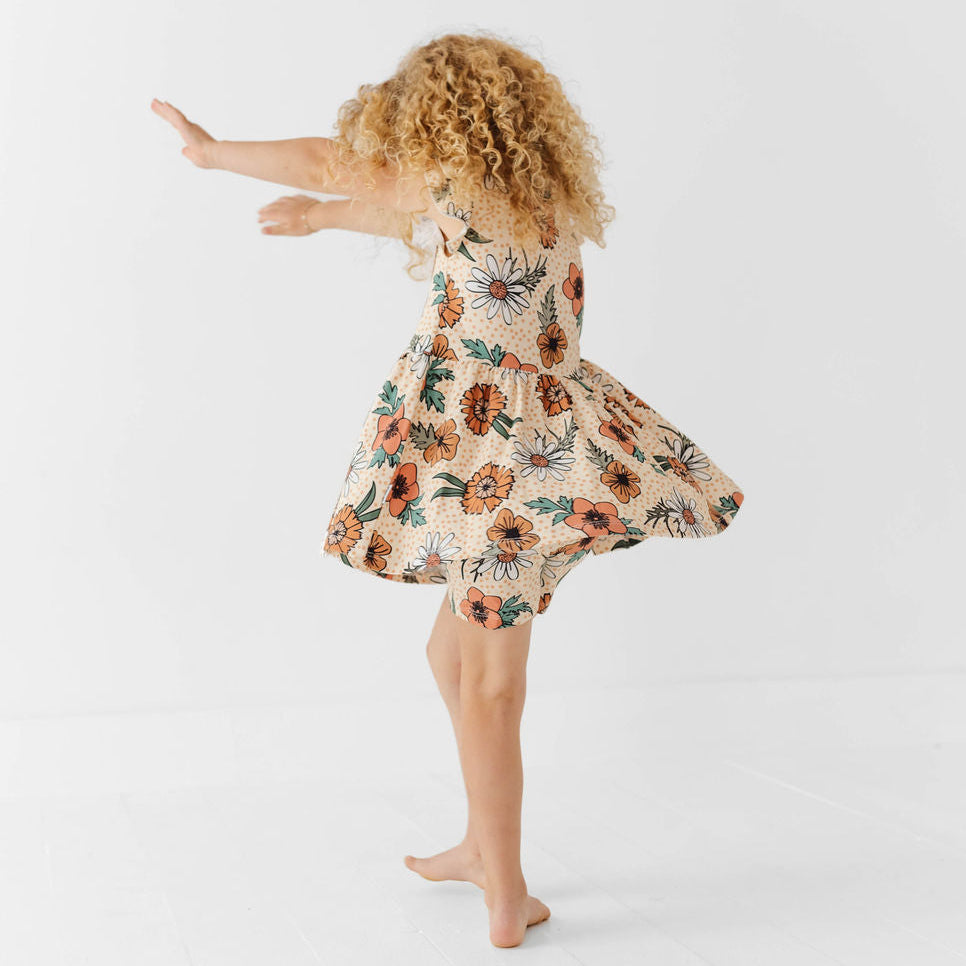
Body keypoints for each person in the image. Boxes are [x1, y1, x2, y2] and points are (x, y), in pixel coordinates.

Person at [151, 29, 745, 949]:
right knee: (450, 656)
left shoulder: (442, 186)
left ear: (434, 119)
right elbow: (409, 218)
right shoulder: (539, 196)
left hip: (489, 460)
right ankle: (480, 845)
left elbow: (330, 162)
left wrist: (214, 151)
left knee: (490, 683)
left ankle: (506, 890)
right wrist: (320, 219)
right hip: (547, 447)